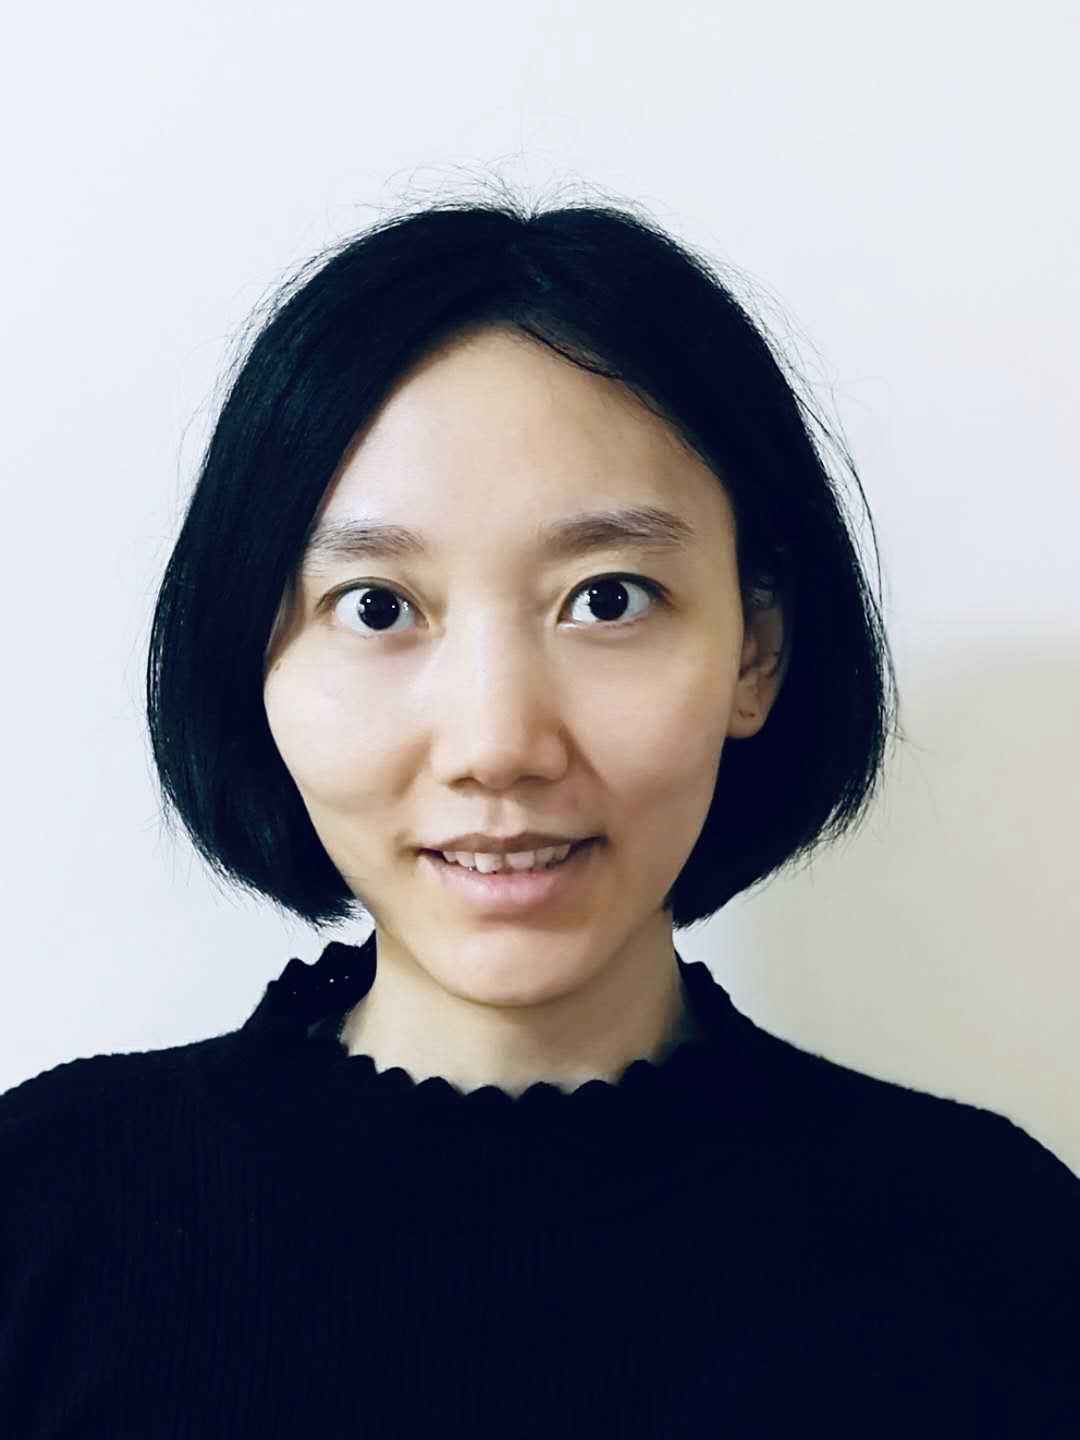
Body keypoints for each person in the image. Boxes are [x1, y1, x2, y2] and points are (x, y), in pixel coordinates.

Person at [2, 186, 1077, 1437]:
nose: (498, 745)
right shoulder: (44, 1209)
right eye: (377, 606)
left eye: (608, 598)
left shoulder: (994, 1249)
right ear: (254, 656)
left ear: (757, 651)